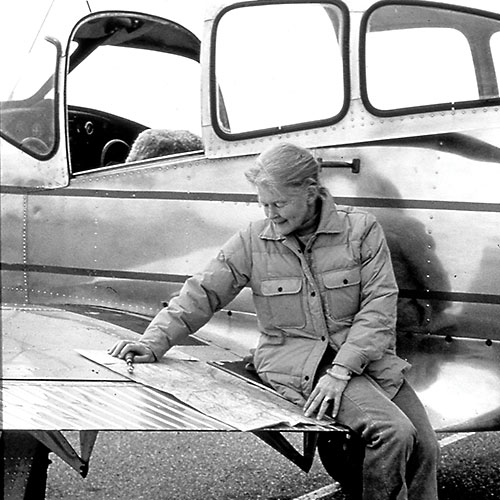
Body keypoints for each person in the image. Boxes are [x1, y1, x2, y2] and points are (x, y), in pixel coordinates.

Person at [109, 143, 440, 500]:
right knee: (393, 433)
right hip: (297, 364)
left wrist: (341, 371)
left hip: (361, 364)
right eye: (264, 204)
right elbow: (202, 293)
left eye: (279, 204)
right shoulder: (253, 241)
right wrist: (152, 341)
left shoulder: (361, 231)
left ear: (311, 191)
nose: (271, 215)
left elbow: (378, 308)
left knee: (426, 446)